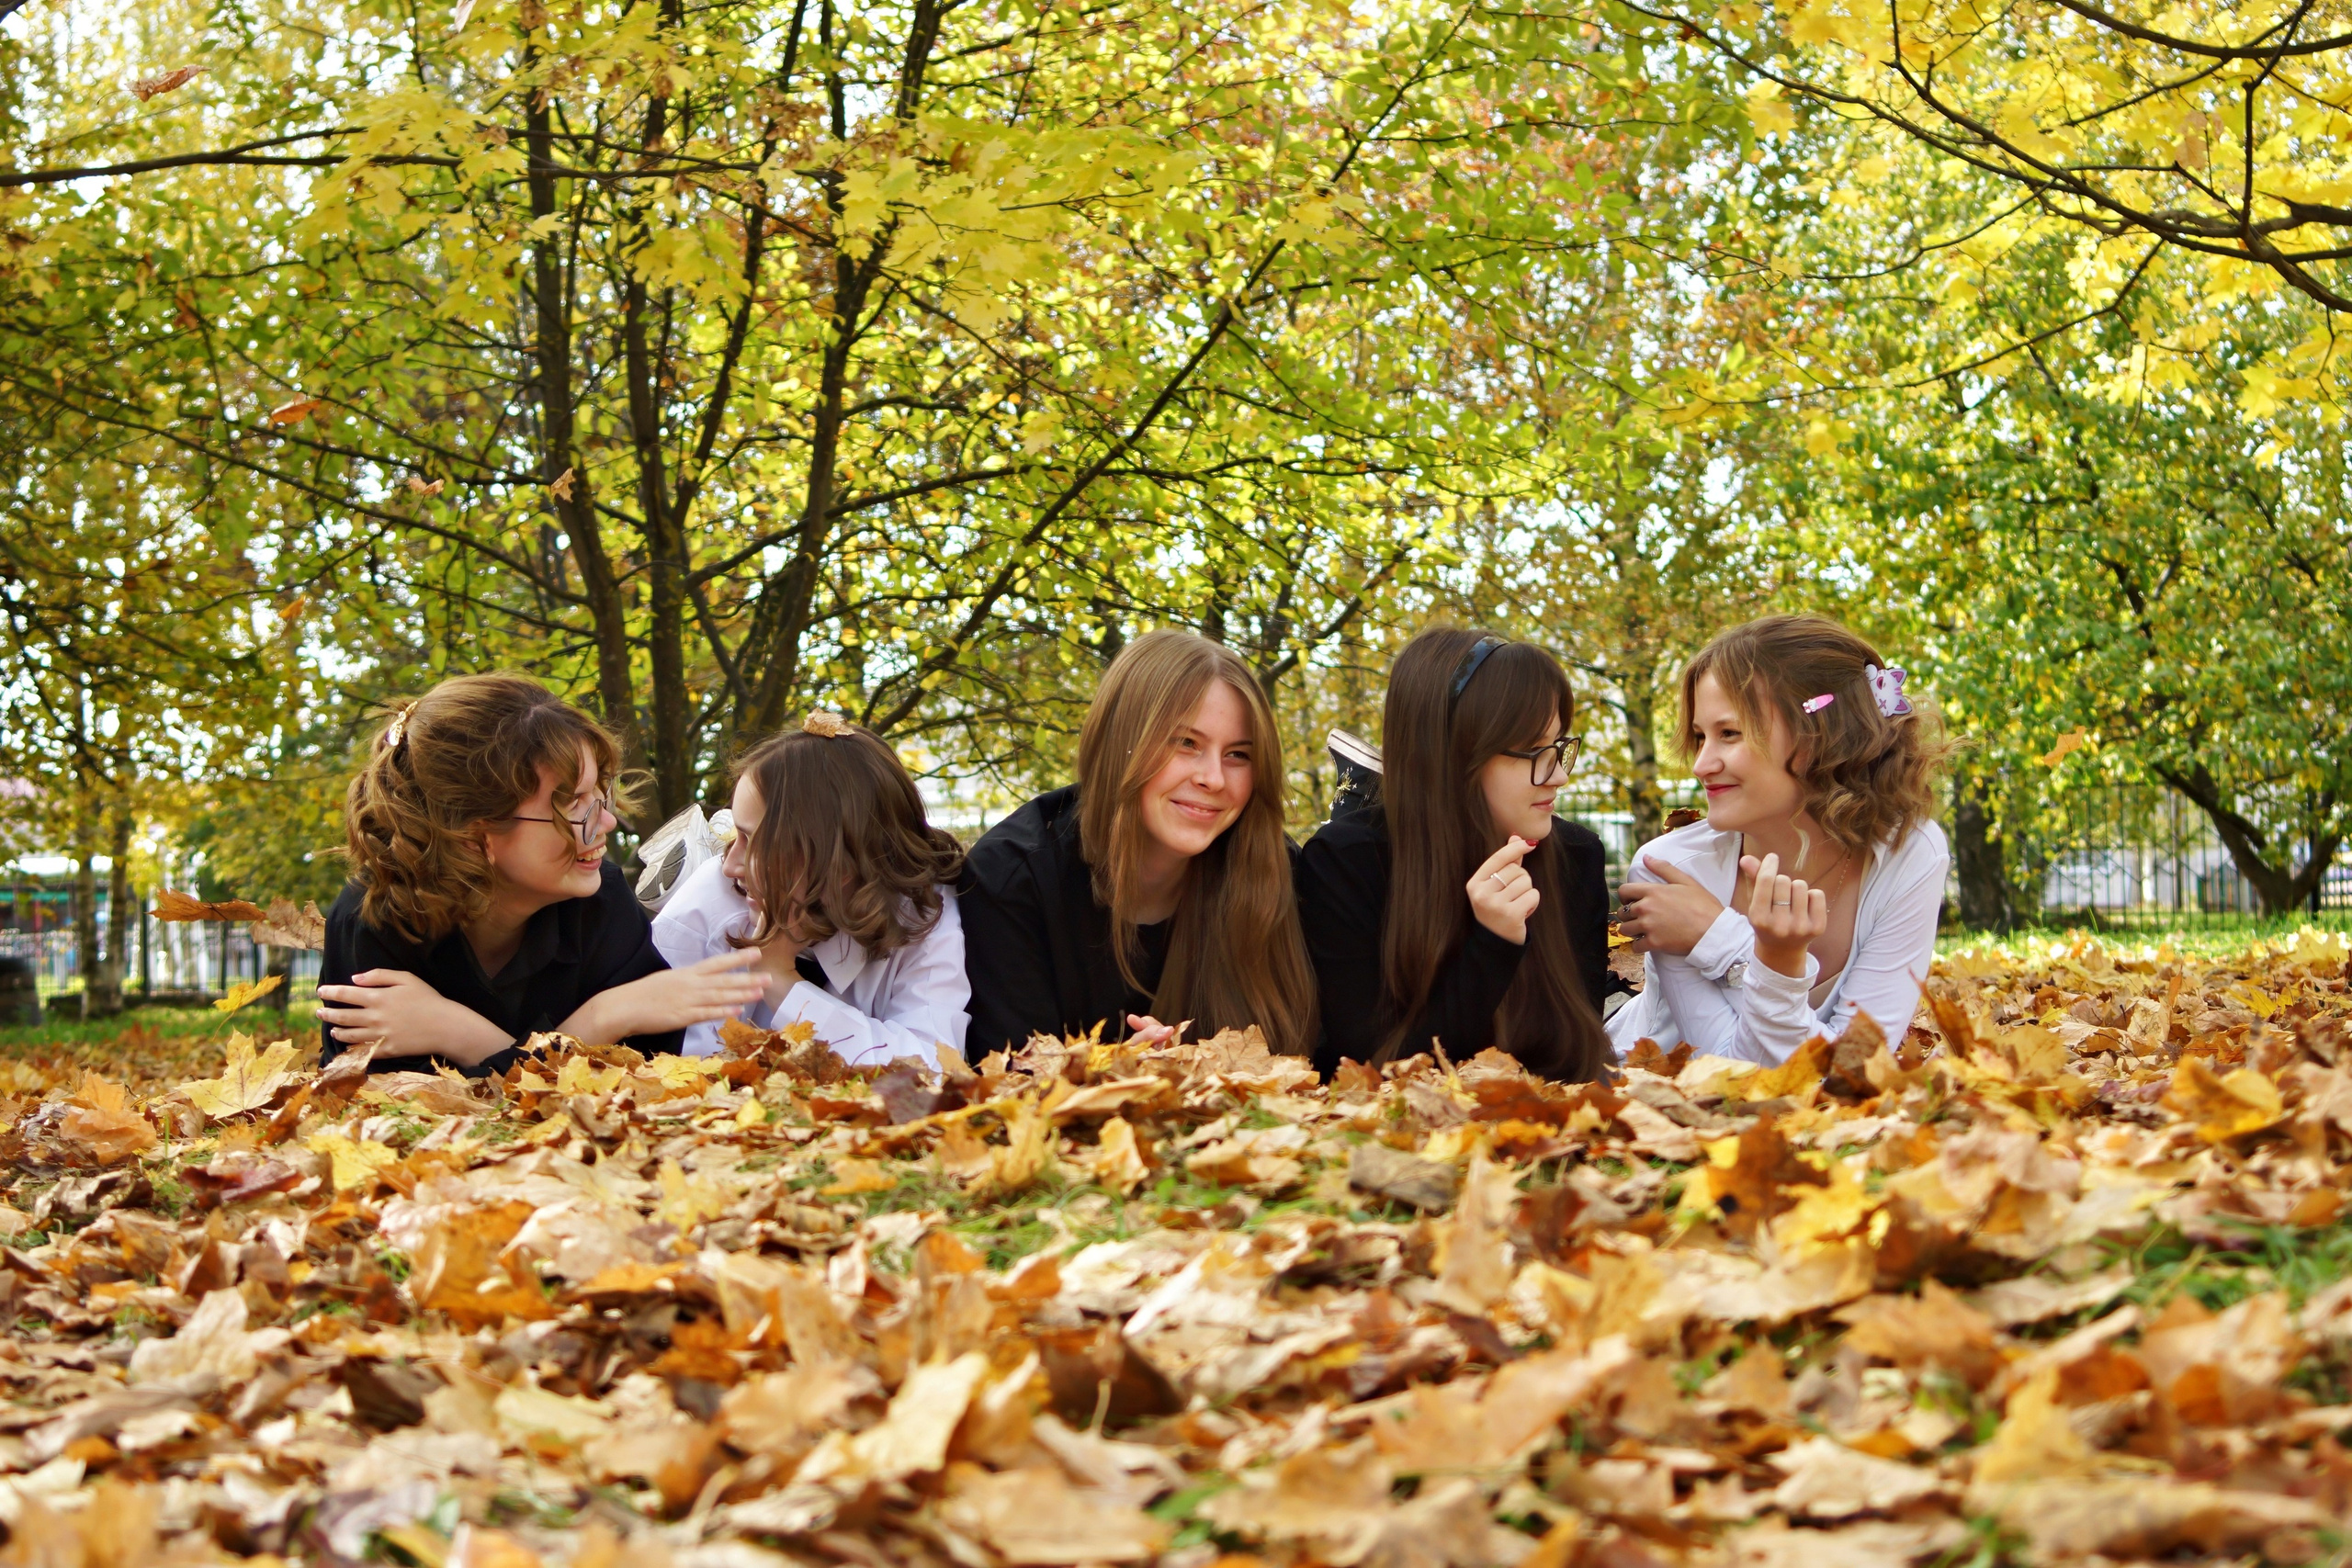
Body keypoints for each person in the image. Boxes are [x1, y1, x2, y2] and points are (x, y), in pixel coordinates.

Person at [316, 675, 767, 1076]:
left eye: (599, 795)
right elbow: (385, 1109)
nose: (607, 822)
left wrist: (457, 1034)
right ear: (476, 836)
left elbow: (633, 1086)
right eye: (573, 805)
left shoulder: (599, 901)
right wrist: (592, 1027)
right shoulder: (373, 921)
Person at [1609, 614, 1951, 1065]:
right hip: (1650, 1103)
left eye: (1729, 734)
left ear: (1820, 737)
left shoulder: (1908, 853)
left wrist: (1722, 941)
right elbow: (1734, 1075)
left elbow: (1858, 1067)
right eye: (1699, 737)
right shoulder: (1672, 870)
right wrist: (1768, 960)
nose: (1701, 764)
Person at [959, 629, 1317, 1058]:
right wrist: (1119, 1075)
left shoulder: (1276, 868)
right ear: (1120, 742)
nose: (1214, 778)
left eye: (1238, 755)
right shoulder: (1012, 877)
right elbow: (1005, 1080)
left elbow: (1309, 1068)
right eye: (1186, 743)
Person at [1295, 628, 1615, 1081]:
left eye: (1560, 746)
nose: (1559, 775)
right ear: (1449, 755)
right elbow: (1370, 1073)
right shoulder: (1349, 862)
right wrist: (1493, 944)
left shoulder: (1574, 858)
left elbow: (1576, 1060)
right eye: (1532, 750)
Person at [651, 712, 970, 1066]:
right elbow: (674, 1075)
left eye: (752, 840)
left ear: (840, 860)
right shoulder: (709, 901)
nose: (730, 865)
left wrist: (778, 978)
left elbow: (933, 1068)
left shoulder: (922, 914)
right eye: (734, 836)